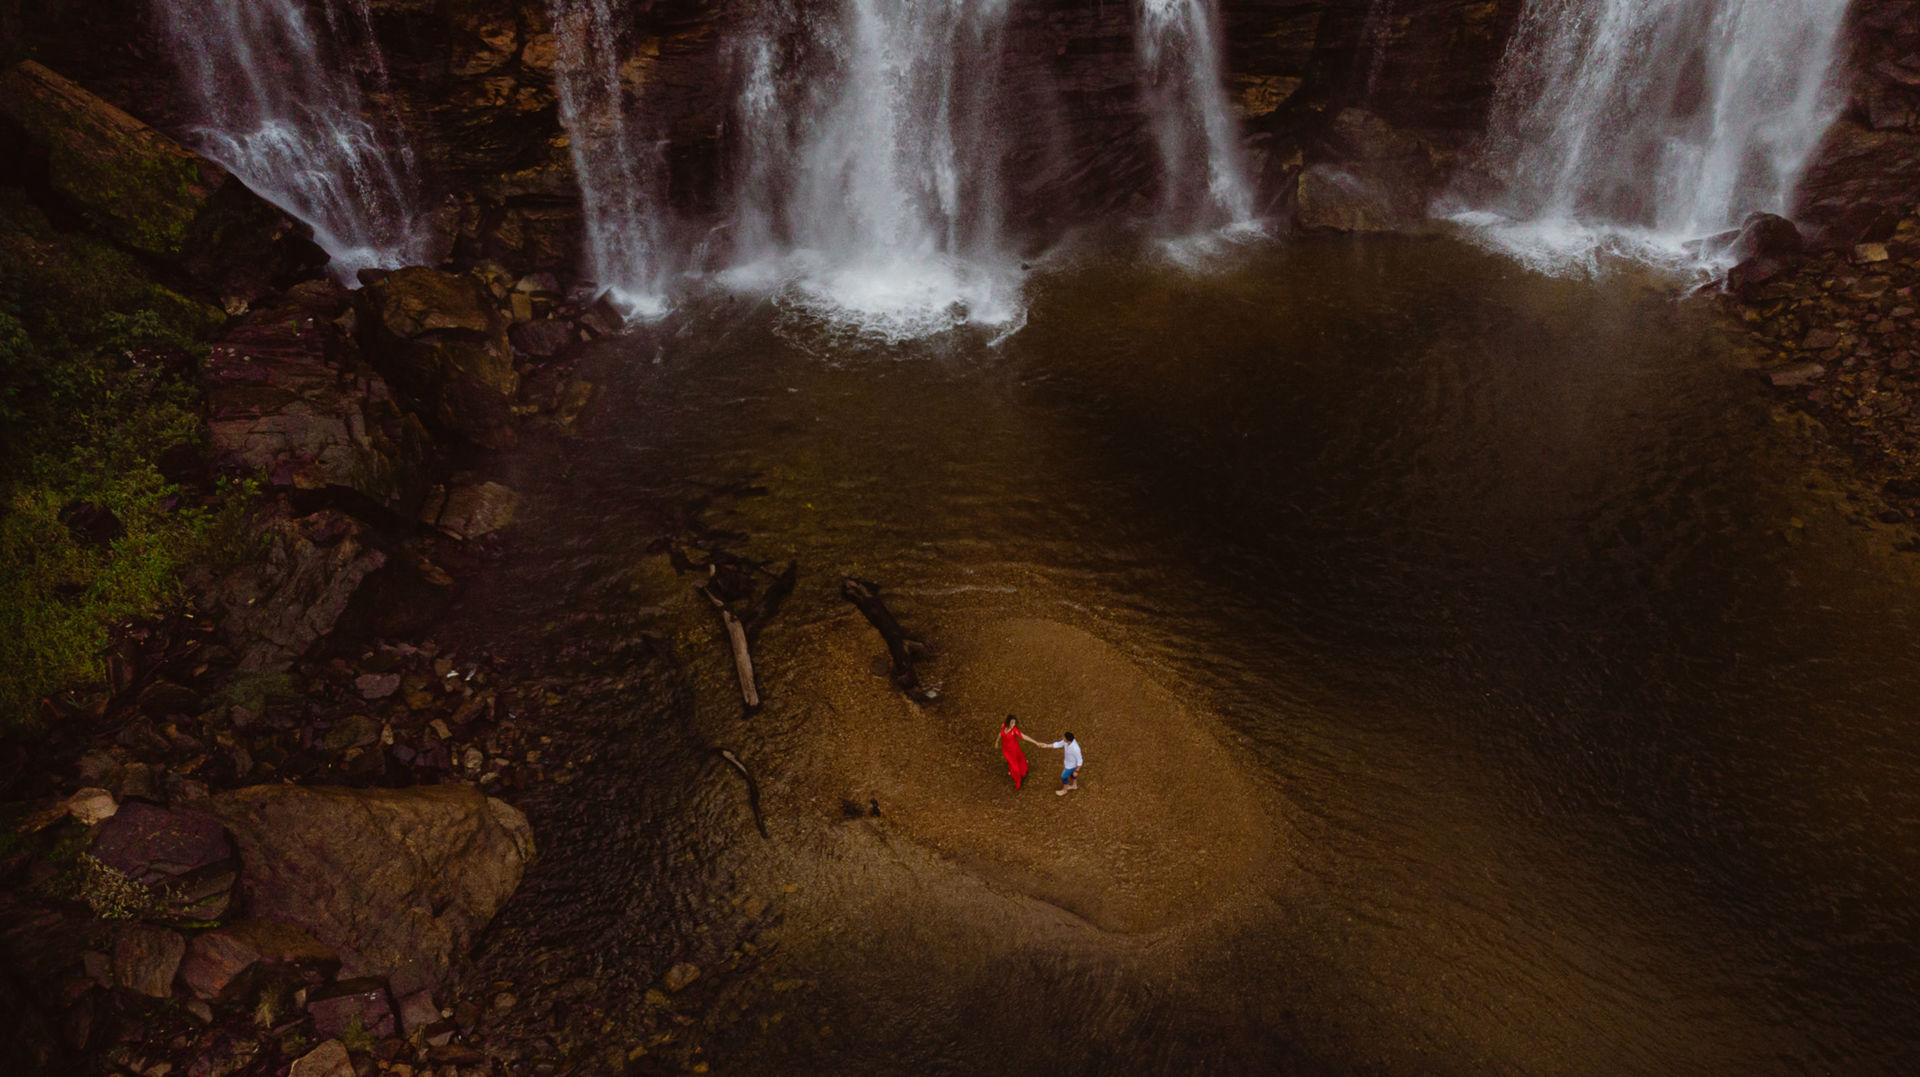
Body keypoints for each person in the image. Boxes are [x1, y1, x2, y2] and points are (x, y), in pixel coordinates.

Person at [997, 714, 1031, 790]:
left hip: (1013, 750)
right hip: (1006, 750)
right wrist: (997, 741)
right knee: (1012, 762)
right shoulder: (1004, 725)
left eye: (1014, 723)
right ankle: (1015, 770)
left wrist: (1036, 742)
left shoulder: (1014, 730)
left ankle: (1018, 780)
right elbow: (1000, 734)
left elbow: (1024, 736)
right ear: (1008, 722)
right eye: (1012, 723)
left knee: (1015, 766)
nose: (1013, 725)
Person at [1043, 732, 1083, 796]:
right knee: (1073, 775)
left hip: (1071, 766)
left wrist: (1076, 770)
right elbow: (1058, 744)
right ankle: (1074, 785)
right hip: (1068, 763)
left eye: (1064, 738)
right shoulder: (1066, 742)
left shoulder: (1076, 749)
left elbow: (1080, 760)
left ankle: (1065, 790)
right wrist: (1046, 745)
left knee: (1063, 776)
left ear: (1068, 740)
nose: (1063, 738)